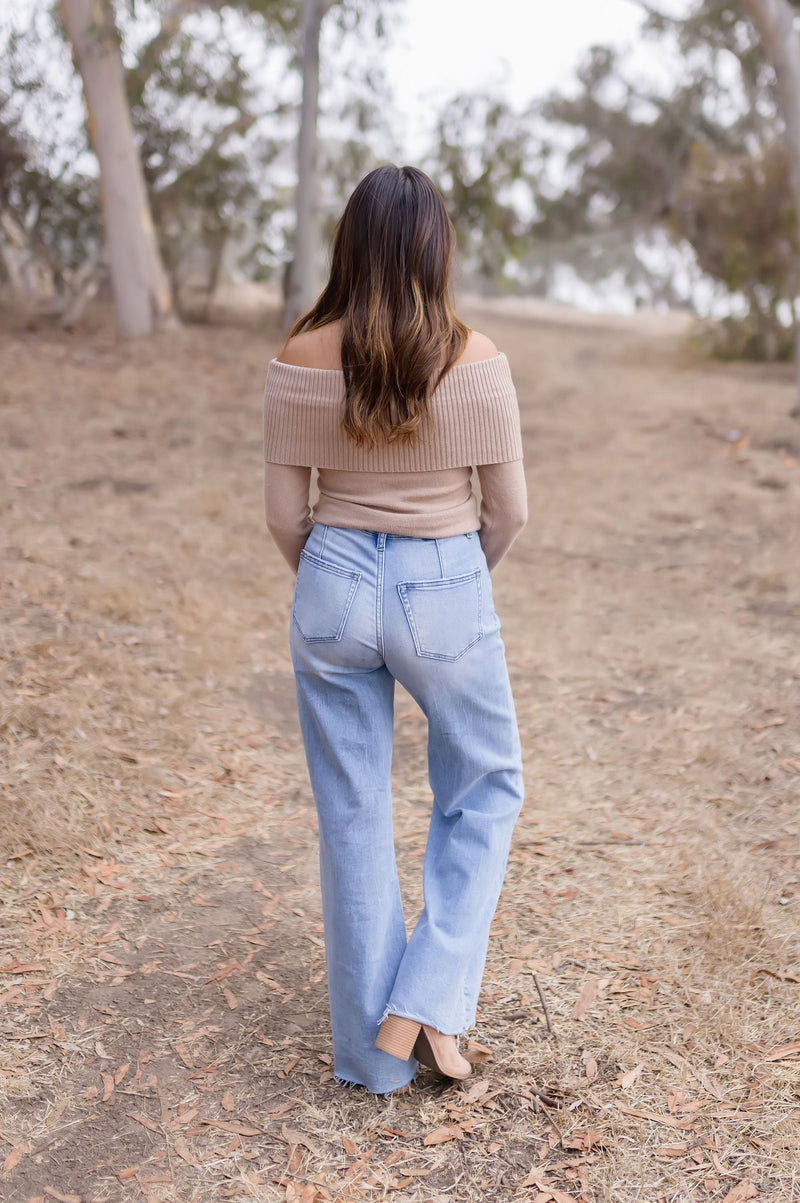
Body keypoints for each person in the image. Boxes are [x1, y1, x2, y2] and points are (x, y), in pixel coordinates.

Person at [262, 164, 527, 1095]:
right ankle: (424, 1003)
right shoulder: (476, 358)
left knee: (352, 812)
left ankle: (373, 1061)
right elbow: (509, 512)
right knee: (487, 786)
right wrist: (447, 589)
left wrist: (339, 585)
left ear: (351, 246)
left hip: (330, 572)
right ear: (434, 250)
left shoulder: (299, 356)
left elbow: (282, 514)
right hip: (445, 573)